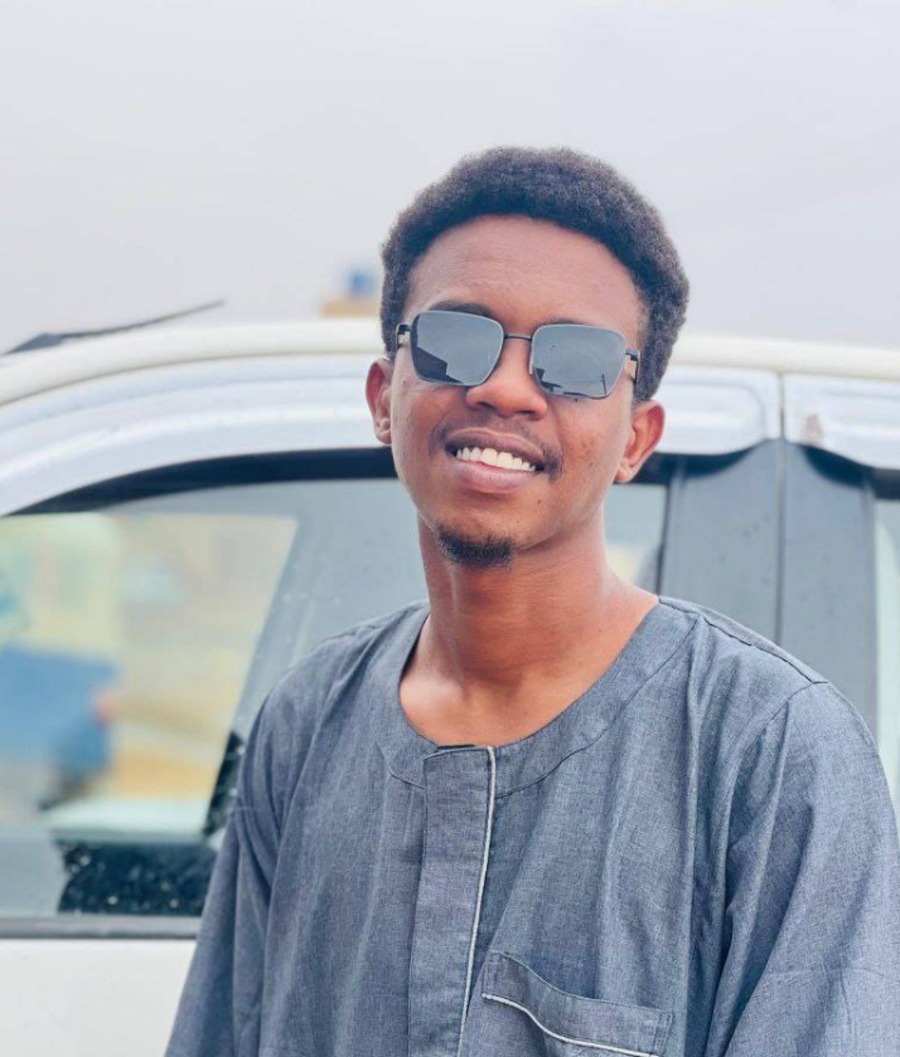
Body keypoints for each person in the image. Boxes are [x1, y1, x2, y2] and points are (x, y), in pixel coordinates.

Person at [166, 147, 900, 1057]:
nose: (505, 388)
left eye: (576, 360)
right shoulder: (309, 726)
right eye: (455, 339)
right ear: (384, 397)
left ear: (636, 439)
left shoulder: (772, 754)